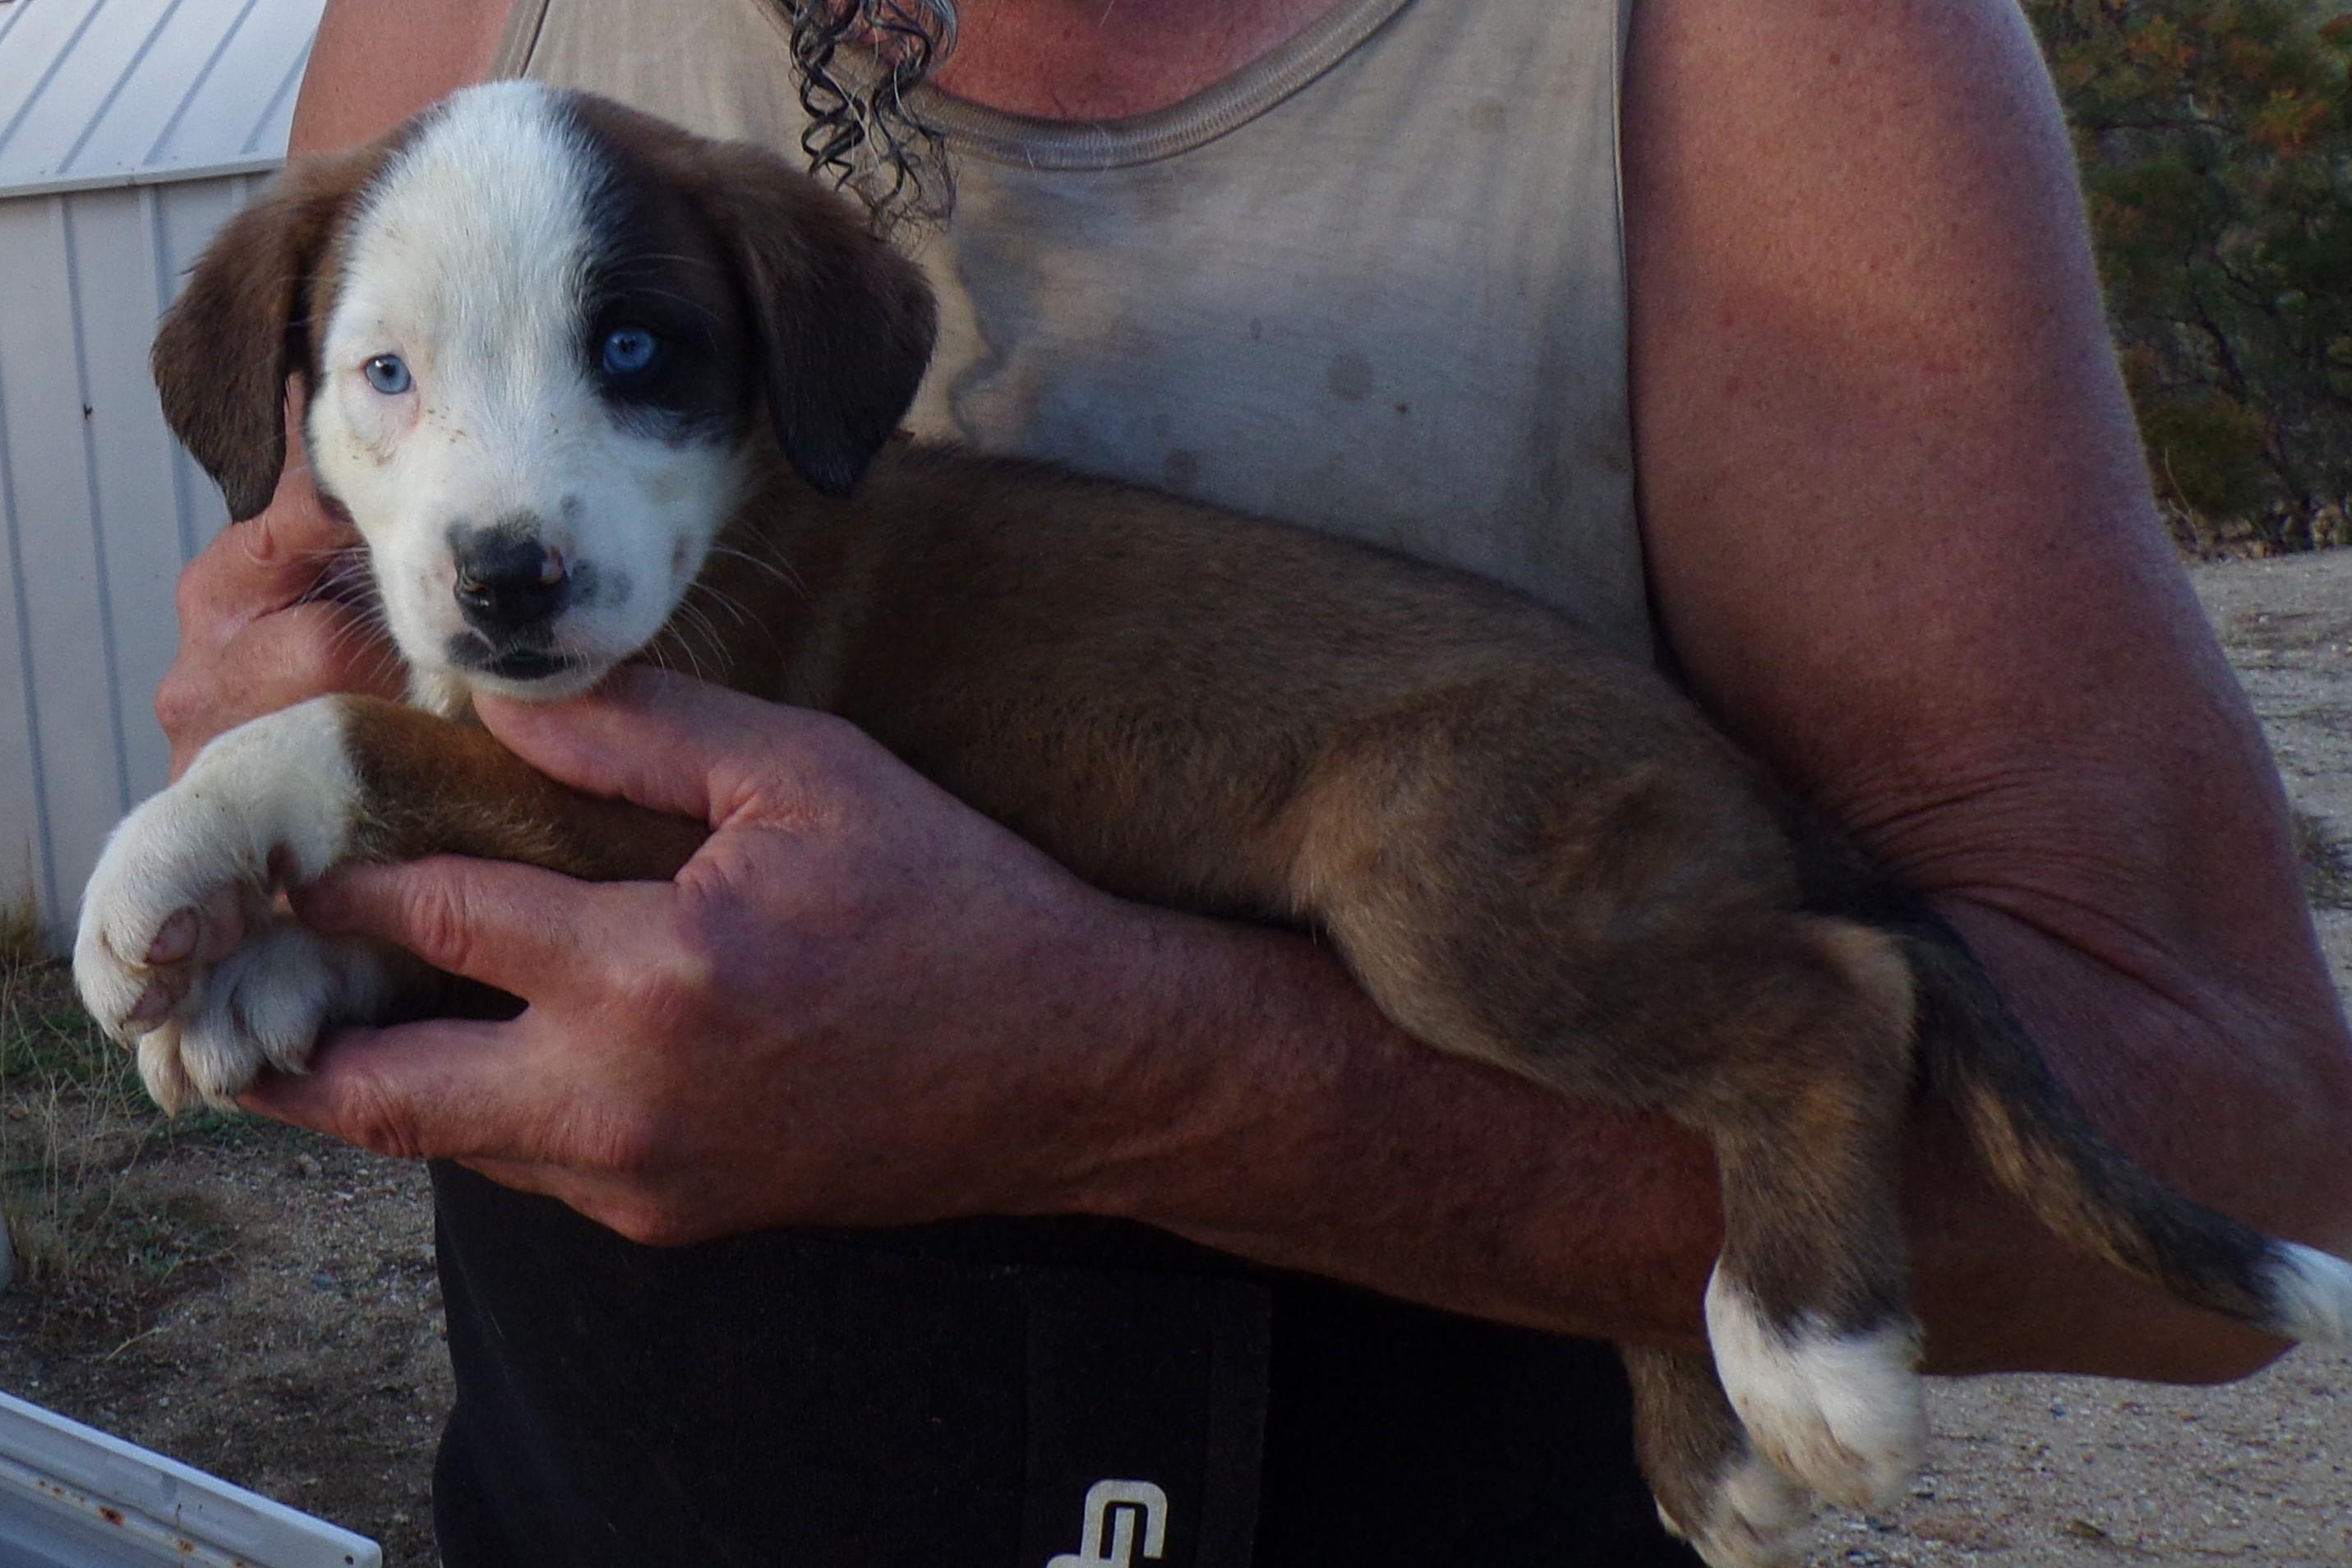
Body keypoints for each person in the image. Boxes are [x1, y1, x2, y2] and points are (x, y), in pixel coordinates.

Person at [156, 0, 2352, 1561]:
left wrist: (1117, 1064)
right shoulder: (461, 30)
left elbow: (2226, 1120)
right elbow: (314, 575)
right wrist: (301, 847)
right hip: (586, 1490)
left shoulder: (1764, 52)